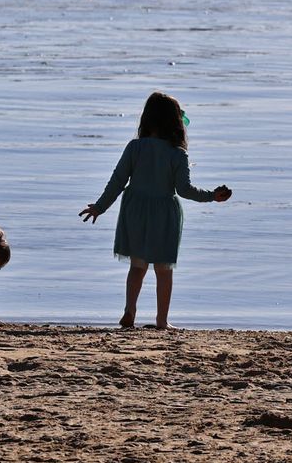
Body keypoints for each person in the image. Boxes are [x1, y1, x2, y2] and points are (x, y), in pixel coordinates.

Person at [79, 91, 232, 329]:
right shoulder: (177, 154)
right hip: (164, 214)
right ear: (176, 123)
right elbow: (185, 190)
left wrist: (100, 207)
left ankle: (130, 310)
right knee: (164, 270)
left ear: (146, 119)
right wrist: (212, 196)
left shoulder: (135, 147)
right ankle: (162, 321)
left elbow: (117, 181)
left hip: (135, 210)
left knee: (137, 266)